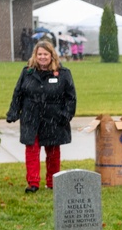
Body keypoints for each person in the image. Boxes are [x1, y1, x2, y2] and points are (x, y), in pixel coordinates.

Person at [5, 40, 77, 193]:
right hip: (31, 117)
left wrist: (66, 115)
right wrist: (13, 112)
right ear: (35, 55)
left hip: (54, 117)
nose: (42, 57)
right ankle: (33, 183)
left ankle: (52, 182)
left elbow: (70, 97)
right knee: (31, 149)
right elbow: (18, 93)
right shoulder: (27, 72)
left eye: (45, 54)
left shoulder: (63, 74)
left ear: (52, 55)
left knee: (52, 151)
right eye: (40, 54)